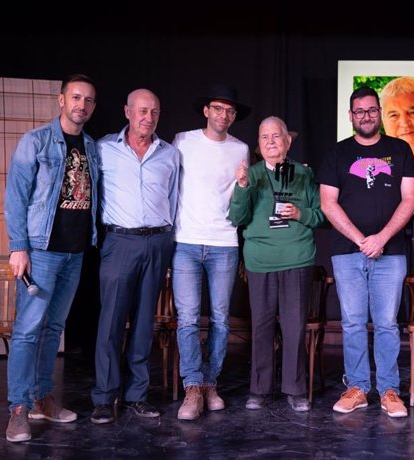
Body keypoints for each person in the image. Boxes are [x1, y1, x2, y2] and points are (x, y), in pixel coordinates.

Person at [3, 74, 99, 442]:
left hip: (74, 253)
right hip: (41, 252)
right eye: (76, 97)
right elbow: (16, 195)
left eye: (89, 100)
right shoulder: (36, 142)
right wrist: (18, 246)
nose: (82, 105)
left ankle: (42, 399)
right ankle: (17, 408)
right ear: (61, 100)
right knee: (27, 332)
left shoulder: (90, 146)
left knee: (54, 331)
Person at [317, 86, 414, 418]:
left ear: (379, 111)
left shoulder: (400, 149)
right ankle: (358, 388)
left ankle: (389, 390)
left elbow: (409, 200)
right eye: (359, 111)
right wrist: (363, 240)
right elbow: (328, 203)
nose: (366, 116)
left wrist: (382, 238)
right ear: (350, 116)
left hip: (392, 253)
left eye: (372, 110)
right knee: (353, 322)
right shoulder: (336, 154)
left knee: (388, 324)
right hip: (348, 252)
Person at [90, 89, 179, 424]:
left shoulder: (169, 153)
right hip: (120, 241)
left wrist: (167, 239)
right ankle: (104, 396)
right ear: (127, 112)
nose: (148, 117)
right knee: (111, 321)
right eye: (142, 111)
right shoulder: (102, 149)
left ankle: (136, 396)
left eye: (154, 112)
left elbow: (171, 198)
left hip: (157, 242)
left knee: (144, 323)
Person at [228, 116, 325, 412]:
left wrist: (300, 214)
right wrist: (242, 186)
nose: (271, 142)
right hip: (261, 261)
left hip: (297, 258)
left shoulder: (304, 175)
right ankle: (259, 388)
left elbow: (321, 215)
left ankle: (295, 390)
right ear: (258, 144)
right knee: (261, 326)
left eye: (276, 136)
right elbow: (237, 217)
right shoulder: (251, 175)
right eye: (264, 137)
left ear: (288, 141)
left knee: (295, 326)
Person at [171, 83, 251, 420]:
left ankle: (209, 384)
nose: (223, 115)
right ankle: (192, 386)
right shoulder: (182, 141)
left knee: (220, 319)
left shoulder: (242, 148)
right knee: (188, 318)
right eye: (217, 108)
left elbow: (242, 198)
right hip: (186, 241)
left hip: (224, 244)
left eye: (229, 111)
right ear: (206, 111)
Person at [380, 76, 414, 171]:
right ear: (383, 122)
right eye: (394, 115)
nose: (404, 123)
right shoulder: (374, 170)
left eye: (413, 112)